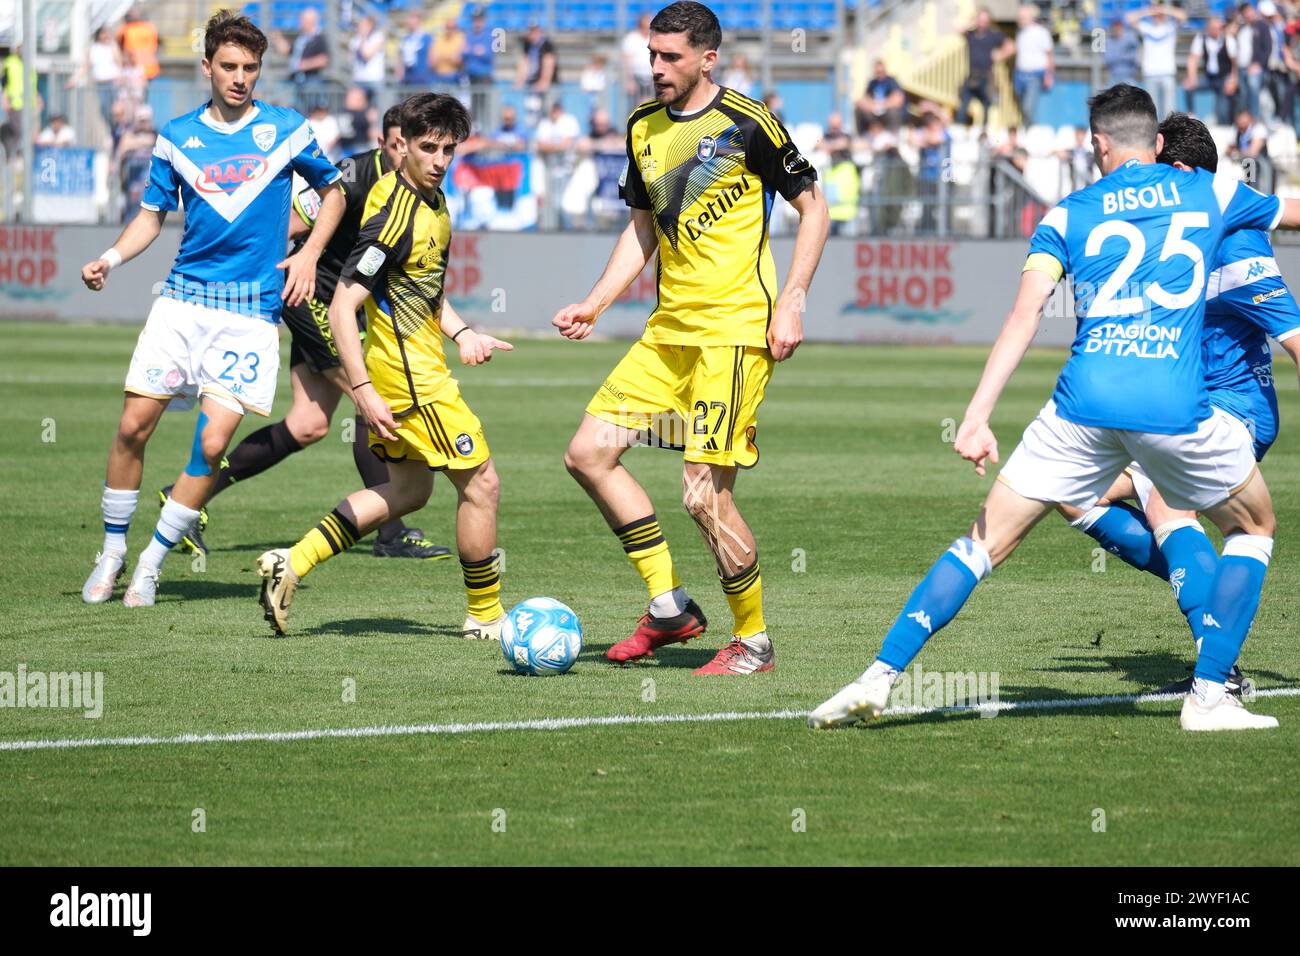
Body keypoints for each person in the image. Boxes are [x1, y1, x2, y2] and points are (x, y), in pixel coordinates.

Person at [809, 84, 1298, 732]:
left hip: (1081, 404)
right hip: (1171, 404)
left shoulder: (1067, 214)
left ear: (1095, 144)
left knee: (982, 542)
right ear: (1156, 144)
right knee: (1254, 527)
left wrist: (978, 416)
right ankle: (1210, 697)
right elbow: (1289, 213)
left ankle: (877, 676)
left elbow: (1022, 316)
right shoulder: (1207, 191)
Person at [551, 2, 829, 676]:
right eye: (652, 55)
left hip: (733, 335)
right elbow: (643, 227)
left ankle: (753, 642)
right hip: (668, 331)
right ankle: (670, 607)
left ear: (708, 58)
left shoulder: (748, 121)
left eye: (671, 57)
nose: (656, 68)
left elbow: (813, 204)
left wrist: (792, 299)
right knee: (589, 453)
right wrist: (596, 300)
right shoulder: (642, 128)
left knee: (704, 493)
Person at [78, 11, 344, 608]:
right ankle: (113, 551)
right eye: (229, 66)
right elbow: (152, 215)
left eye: (250, 67)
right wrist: (110, 259)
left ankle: (149, 564)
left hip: (250, 315)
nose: (240, 77)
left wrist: (308, 257)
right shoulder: (175, 135)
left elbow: (335, 191)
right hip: (181, 304)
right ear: (207, 67)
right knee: (131, 428)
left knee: (212, 444)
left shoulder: (287, 129)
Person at [255, 93, 513, 639]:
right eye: (428, 148)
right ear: (403, 147)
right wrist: (365, 390)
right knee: (481, 484)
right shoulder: (394, 212)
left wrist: (464, 332)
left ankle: (290, 563)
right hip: (409, 378)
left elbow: (423, 289)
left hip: (414, 368)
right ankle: (486, 616)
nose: (440, 159)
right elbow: (344, 304)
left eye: (449, 148)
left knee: (410, 491)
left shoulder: (436, 200)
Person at [1059, 112, 1300, 695]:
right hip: (1175, 409)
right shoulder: (1161, 238)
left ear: (1183, 173)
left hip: (1234, 410)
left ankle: (1216, 669)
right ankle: (1214, 608)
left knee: (1166, 506)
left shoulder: (1237, 249)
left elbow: (1295, 338)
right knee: (1070, 491)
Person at [179, 103, 449, 562]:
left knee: (308, 424)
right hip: (314, 299)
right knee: (373, 401)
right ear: (387, 142)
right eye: (401, 143)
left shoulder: (419, 188)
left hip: (345, 305)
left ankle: (183, 498)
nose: (417, 153)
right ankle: (391, 530)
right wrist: (247, 269)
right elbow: (289, 225)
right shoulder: (353, 176)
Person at [1127, 3, 1186, 121]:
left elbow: (1183, 16)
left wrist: (1164, 9)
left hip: (1167, 72)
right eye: (1156, 15)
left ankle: (1169, 135)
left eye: (1159, 15)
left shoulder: (1170, 26)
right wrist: (1149, 11)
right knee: (1152, 109)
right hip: (1150, 73)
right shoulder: (1147, 27)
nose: (1158, 16)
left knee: (1169, 110)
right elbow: (1129, 18)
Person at [957, 8, 1013, 129]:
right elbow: (959, 29)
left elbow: (1011, 46)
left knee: (987, 107)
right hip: (972, 76)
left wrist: (1000, 55)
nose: (982, 23)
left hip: (986, 76)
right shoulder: (971, 34)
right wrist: (972, 23)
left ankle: (984, 131)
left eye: (985, 21)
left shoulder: (993, 35)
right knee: (963, 106)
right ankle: (960, 129)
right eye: (980, 20)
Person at [274, 6, 330, 115]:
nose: (300, 22)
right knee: (297, 110)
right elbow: (288, 51)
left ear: (311, 21)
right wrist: (278, 38)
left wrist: (304, 65)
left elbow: (323, 59)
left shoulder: (319, 38)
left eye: (303, 20)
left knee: (311, 110)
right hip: (298, 79)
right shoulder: (302, 38)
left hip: (312, 80)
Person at [1185, 16, 1238, 123]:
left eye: (1218, 28)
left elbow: (1235, 63)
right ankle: (1192, 114)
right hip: (1209, 77)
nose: (1216, 31)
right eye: (1213, 28)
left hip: (1224, 77)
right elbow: (1192, 59)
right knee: (1188, 87)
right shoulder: (1201, 39)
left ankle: (1225, 125)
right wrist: (1192, 77)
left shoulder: (1228, 40)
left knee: (1223, 112)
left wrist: (1233, 80)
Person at [1012, 5, 1054, 126]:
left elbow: (1050, 55)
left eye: (1022, 17)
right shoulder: (1020, 33)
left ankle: (1033, 131)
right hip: (1021, 75)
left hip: (1035, 75)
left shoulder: (1041, 32)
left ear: (1031, 17)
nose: (1019, 20)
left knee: (1028, 108)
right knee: (1022, 108)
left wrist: (1049, 75)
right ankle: (1027, 130)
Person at [855, 59, 906, 132]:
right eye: (877, 72)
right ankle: (864, 135)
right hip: (874, 111)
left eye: (881, 72)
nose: (879, 74)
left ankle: (892, 135)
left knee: (893, 112)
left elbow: (898, 98)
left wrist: (882, 105)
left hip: (887, 110)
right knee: (859, 110)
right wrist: (871, 106)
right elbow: (866, 98)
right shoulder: (872, 83)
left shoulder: (891, 81)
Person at [349, 14, 386, 103]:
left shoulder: (378, 37)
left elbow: (367, 55)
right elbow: (351, 58)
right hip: (359, 79)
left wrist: (363, 37)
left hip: (374, 79)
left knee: (375, 110)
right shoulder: (355, 39)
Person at [397, 10, 434, 87]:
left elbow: (431, 58)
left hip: (422, 78)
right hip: (407, 78)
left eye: (412, 18)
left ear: (419, 20)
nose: (409, 21)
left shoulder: (427, 38)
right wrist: (400, 72)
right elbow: (401, 58)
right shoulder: (405, 39)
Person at [623, 13, 654, 103]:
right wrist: (629, 80)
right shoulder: (631, 38)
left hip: (652, 77)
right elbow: (626, 61)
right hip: (636, 78)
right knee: (635, 106)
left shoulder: (654, 37)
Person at [1104, 19, 1141, 86]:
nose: (1117, 29)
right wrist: (1123, 55)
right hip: (1114, 77)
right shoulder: (1108, 41)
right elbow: (1108, 59)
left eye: (1119, 27)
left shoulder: (1130, 37)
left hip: (1129, 77)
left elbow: (1133, 57)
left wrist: (1120, 56)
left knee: (1133, 95)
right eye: (1115, 27)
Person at [431, 16, 466, 86]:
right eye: (448, 27)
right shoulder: (439, 39)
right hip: (439, 76)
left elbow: (458, 60)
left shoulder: (461, 39)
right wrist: (450, 57)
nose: (450, 30)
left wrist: (442, 57)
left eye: (452, 28)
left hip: (454, 77)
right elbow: (433, 61)